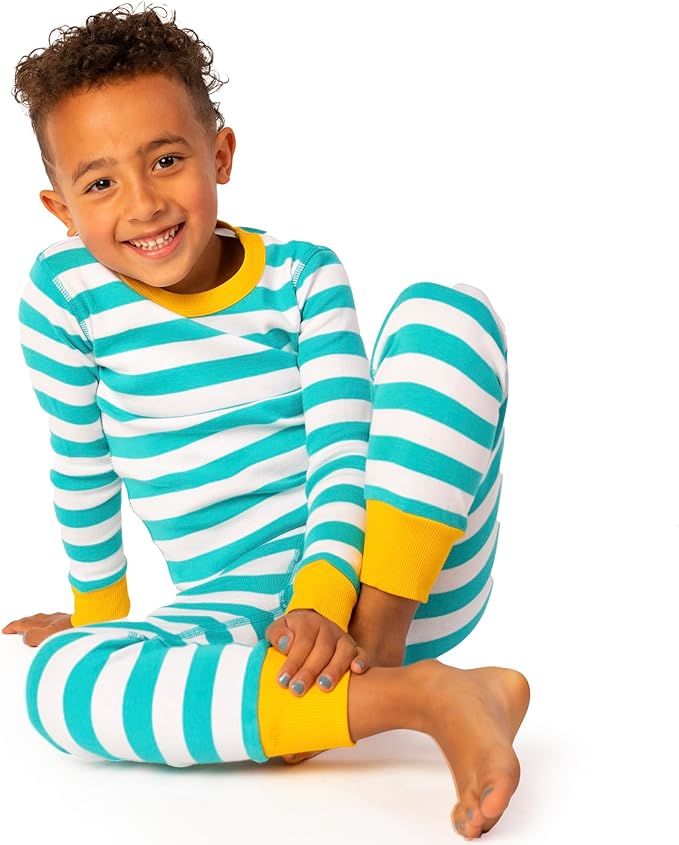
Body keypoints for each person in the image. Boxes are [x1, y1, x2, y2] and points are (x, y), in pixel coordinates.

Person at [3, 3, 529, 838]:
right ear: (60, 207)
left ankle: (373, 658)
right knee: (57, 682)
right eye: (99, 183)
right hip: (249, 608)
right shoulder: (63, 297)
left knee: (447, 310)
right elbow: (80, 462)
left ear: (219, 154)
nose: (143, 204)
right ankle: (426, 695)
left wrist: (328, 600)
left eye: (166, 160)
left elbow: (344, 447)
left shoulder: (301, 277)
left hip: (403, 570)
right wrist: (102, 618)